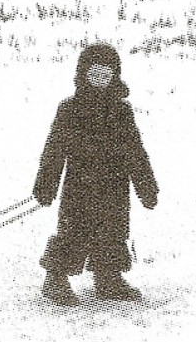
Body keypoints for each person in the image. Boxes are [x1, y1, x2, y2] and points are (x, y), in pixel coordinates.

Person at [32, 43, 158, 305]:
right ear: (83, 74)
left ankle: (108, 278)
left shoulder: (122, 112)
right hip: (80, 186)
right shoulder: (70, 109)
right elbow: (54, 149)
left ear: (115, 76)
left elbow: (135, 151)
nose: (100, 80)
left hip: (115, 186)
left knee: (113, 231)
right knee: (74, 231)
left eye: (106, 75)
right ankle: (55, 278)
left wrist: (146, 186)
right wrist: (46, 185)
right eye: (94, 74)